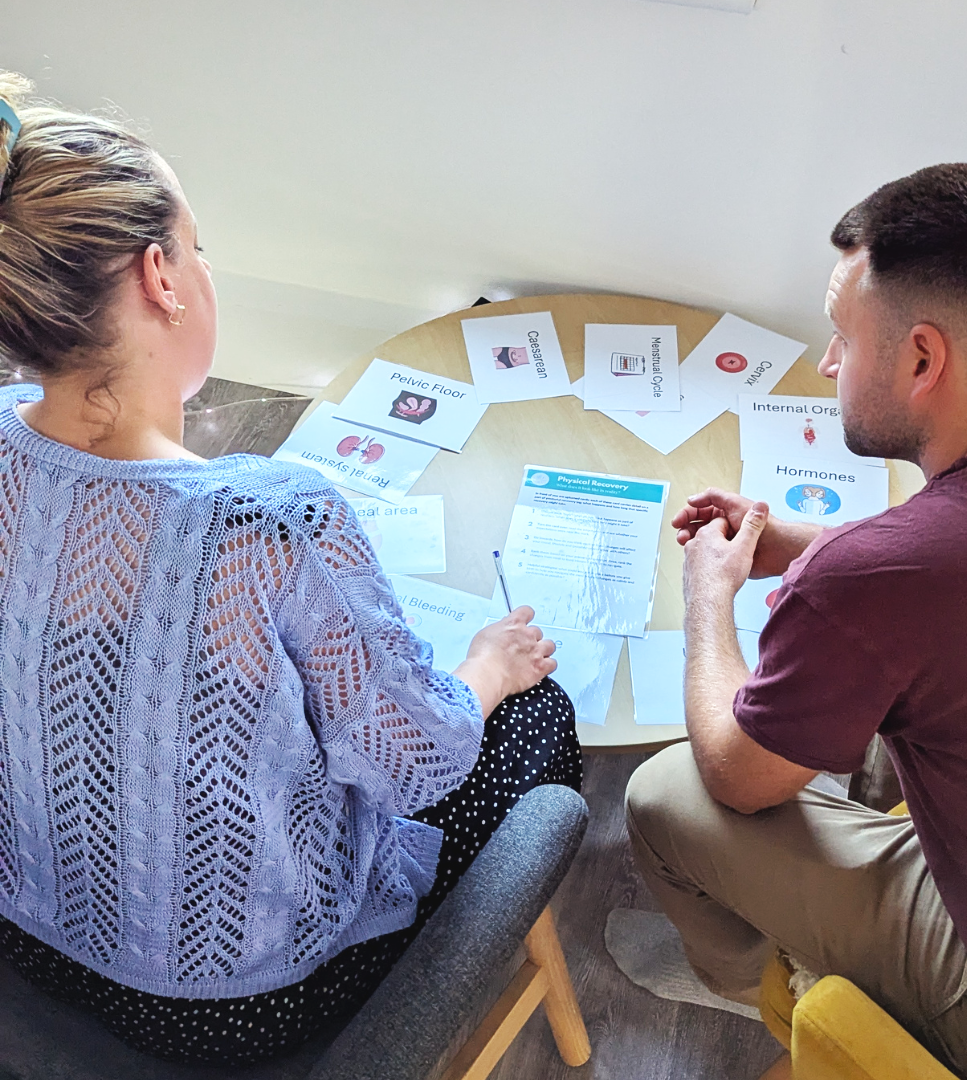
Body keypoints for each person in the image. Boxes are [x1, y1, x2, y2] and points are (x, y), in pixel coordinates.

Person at [0, 73, 581, 1065]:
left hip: (28, 929)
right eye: (198, 244)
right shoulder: (270, 520)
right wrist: (487, 665)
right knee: (533, 713)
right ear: (161, 278)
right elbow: (419, 759)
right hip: (234, 1001)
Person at [626, 163, 967, 1080]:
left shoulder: (878, 578)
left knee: (665, 793)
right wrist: (803, 542)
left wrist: (709, 596)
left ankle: (756, 976)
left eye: (841, 338)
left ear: (922, 358)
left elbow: (738, 776)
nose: (829, 363)